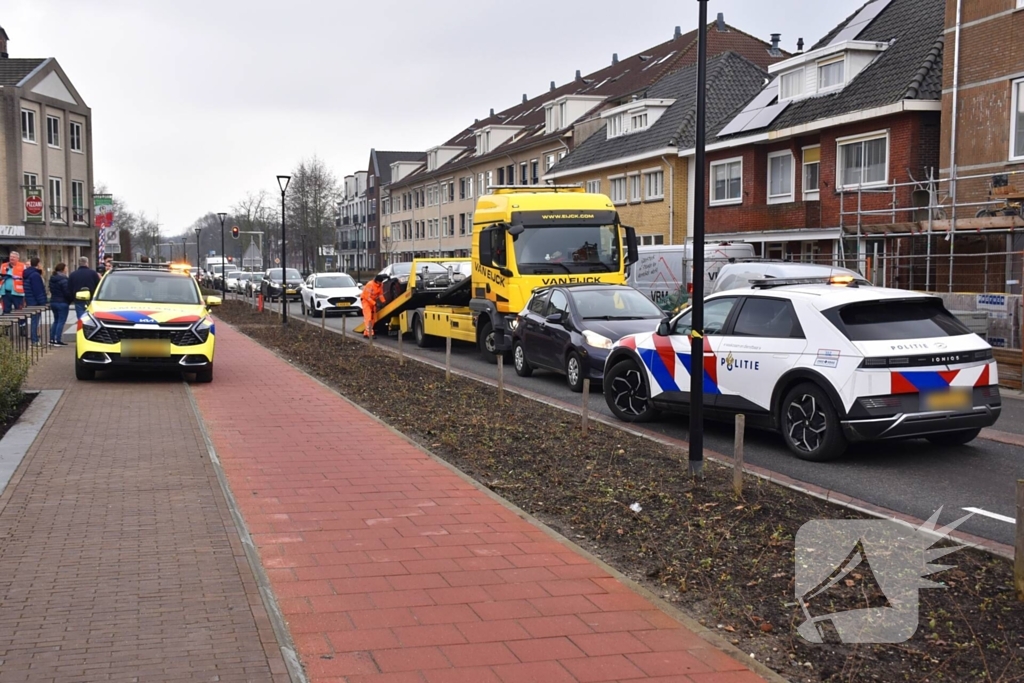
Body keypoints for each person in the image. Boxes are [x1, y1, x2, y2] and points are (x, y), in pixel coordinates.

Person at [23, 257, 48, 347]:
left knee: (34, 320)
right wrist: (43, 302)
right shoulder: (35, 275)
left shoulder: (28, 274)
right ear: (38, 264)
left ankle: (35, 339)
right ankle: (34, 340)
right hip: (35, 301)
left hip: (30, 300)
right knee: (35, 321)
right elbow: (38, 290)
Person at [48, 263, 71, 346]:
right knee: (61, 321)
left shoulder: (52, 278)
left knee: (56, 320)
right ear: (63, 269)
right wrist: (70, 299)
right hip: (62, 302)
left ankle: (52, 339)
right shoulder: (64, 279)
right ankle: (57, 339)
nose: (67, 269)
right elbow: (67, 292)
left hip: (54, 301)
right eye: (66, 267)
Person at [360, 273, 387, 338]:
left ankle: (366, 333)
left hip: (372, 302)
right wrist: (375, 303)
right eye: (379, 282)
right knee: (368, 317)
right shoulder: (370, 284)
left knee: (373, 318)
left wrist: (384, 302)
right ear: (376, 281)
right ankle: (370, 334)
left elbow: (380, 294)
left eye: (381, 282)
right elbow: (367, 297)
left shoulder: (380, 284)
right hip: (366, 301)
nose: (380, 283)